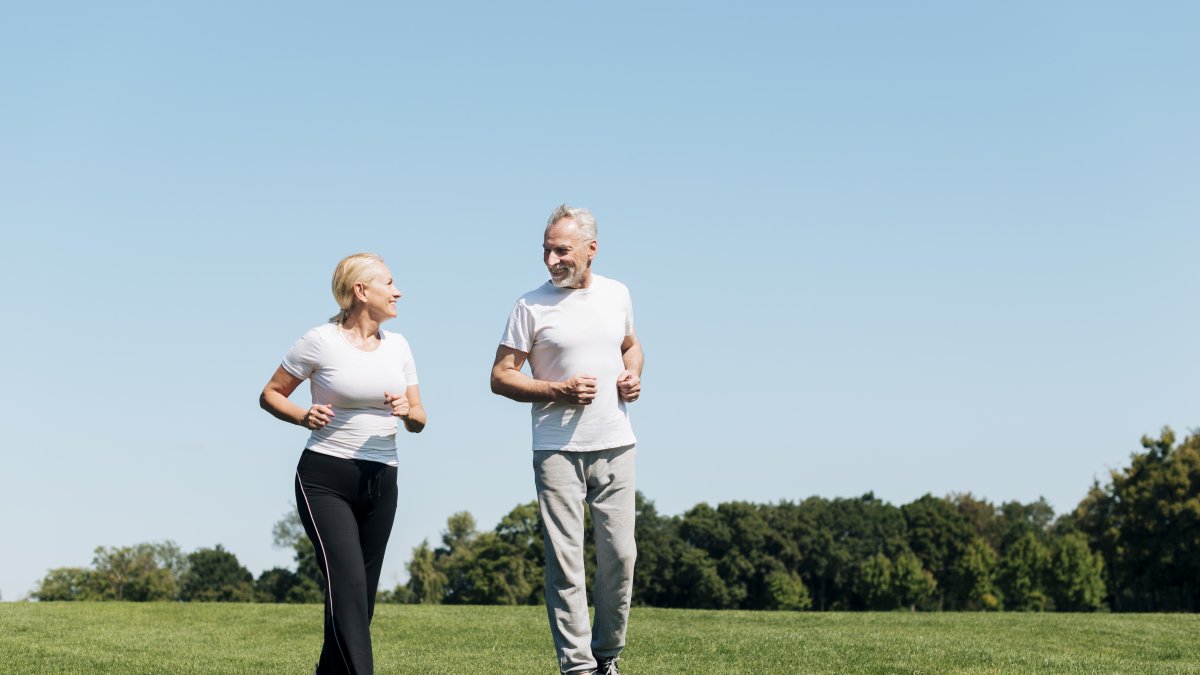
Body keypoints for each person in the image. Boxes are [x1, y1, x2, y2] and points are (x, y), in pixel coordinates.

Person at [491, 205, 643, 675]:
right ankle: (577, 666)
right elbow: (500, 376)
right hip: (556, 449)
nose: (552, 260)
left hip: (616, 442)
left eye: (562, 250)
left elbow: (631, 346)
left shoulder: (617, 294)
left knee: (620, 555)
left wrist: (633, 375)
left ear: (590, 250)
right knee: (566, 560)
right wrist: (556, 389)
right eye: (547, 251)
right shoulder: (529, 306)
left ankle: (607, 655)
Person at [259, 252, 426, 675]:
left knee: (360, 599)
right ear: (360, 290)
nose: (397, 291)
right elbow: (271, 393)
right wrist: (302, 415)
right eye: (389, 283)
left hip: (381, 478)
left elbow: (420, 419)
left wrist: (408, 411)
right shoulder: (320, 341)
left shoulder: (399, 346)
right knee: (348, 588)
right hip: (325, 478)